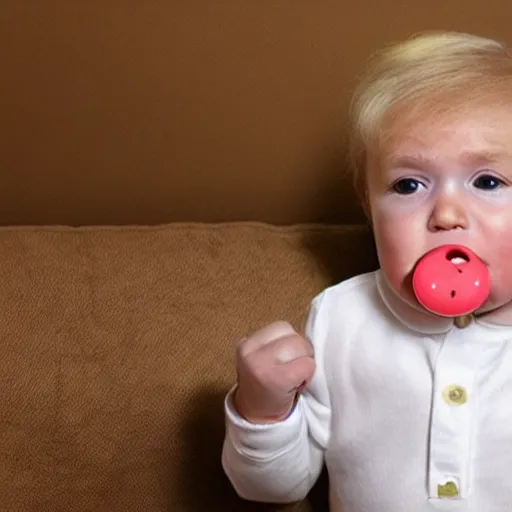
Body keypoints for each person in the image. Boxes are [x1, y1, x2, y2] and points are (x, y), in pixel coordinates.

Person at [221, 30, 512, 511]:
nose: (446, 214)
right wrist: (263, 410)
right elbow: (272, 487)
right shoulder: (343, 317)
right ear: (368, 207)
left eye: (487, 180)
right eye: (408, 185)